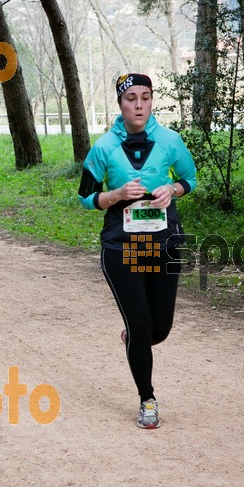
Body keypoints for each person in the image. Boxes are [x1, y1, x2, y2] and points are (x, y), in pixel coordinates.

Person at [77, 73, 197, 429]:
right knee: (142, 325)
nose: (139, 104)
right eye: (131, 98)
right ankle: (147, 398)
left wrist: (173, 190)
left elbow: (190, 178)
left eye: (145, 97)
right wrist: (115, 196)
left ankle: (135, 335)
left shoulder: (171, 141)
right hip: (122, 246)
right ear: (120, 104)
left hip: (165, 243)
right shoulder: (103, 148)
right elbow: (86, 196)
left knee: (159, 329)